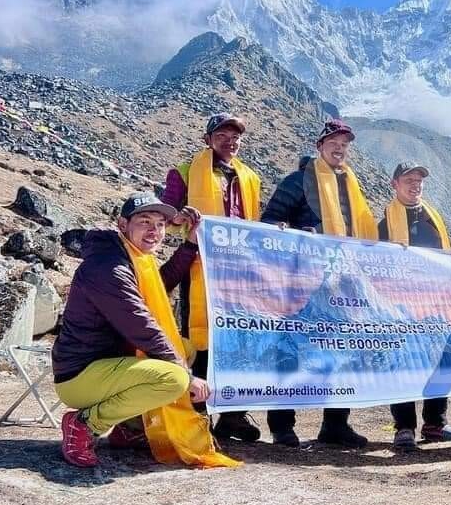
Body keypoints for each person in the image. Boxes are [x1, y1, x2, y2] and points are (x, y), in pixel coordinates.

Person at [52, 193, 220, 468]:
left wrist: (189, 246)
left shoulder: (133, 258)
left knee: (185, 348)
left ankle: (129, 428)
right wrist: (188, 377)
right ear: (122, 224)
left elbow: (159, 284)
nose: (154, 231)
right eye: (145, 222)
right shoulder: (108, 267)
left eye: (161, 224)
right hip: (81, 375)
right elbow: (141, 324)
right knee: (173, 378)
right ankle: (83, 424)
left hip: (108, 366)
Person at [260, 118, 377, 449]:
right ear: (319, 146)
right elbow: (269, 223)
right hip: (300, 285)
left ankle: (335, 425)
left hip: (340, 287)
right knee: (290, 351)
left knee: (342, 352)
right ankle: (282, 426)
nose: (339, 149)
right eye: (333, 144)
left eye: (344, 145)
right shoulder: (297, 182)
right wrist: (301, 236)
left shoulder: (350, 187)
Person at [161, 112, 262, 443]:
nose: (230, 141)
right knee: (201, 341)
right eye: (222, 135)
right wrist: (180, 216)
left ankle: (232, 415)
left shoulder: (250, 178)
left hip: (238, 276)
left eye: (235, 137)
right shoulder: (185, 171)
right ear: (207, 139)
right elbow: (166, 216)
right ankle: (198, 416)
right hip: (199, 272)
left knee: (236, 342)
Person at [378, 162, 451, 451]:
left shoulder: (433, 219)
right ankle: (404, 426)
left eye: (419, 180)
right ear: (395, 184)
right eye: (409, 179)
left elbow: (441, 256)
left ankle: (435, 423)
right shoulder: (382, 223)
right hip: (400, 307)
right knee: (403, 362)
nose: (415, 184)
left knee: (439, 360)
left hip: (435, 305)